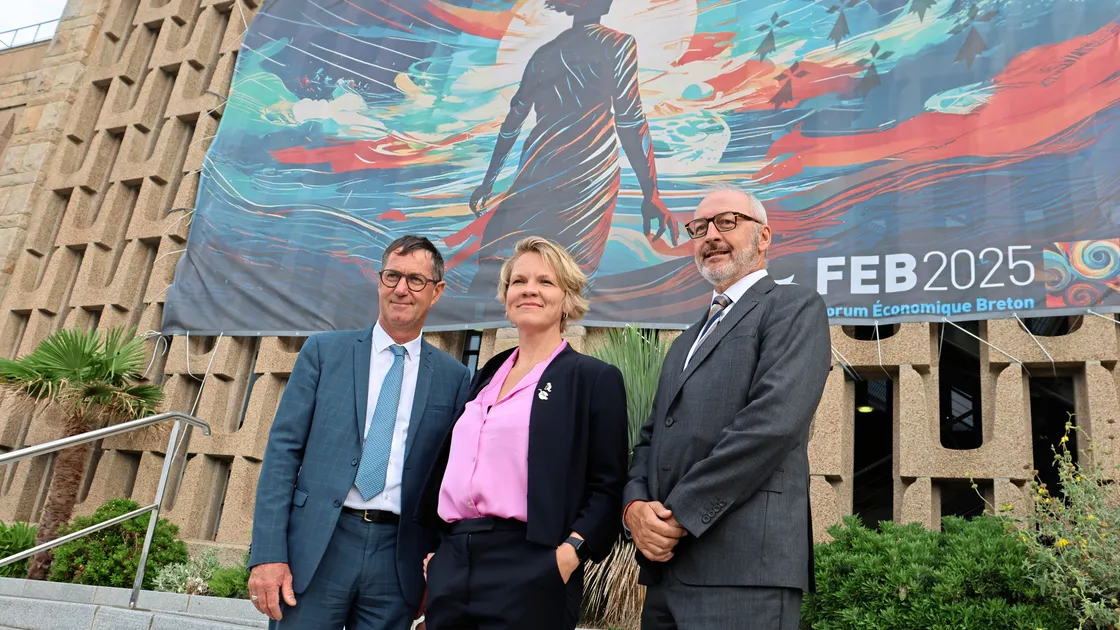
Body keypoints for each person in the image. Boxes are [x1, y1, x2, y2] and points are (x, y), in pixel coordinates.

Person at [622, 187, 832, 629]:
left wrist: (681, 513)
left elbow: (772, 424)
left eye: (727, 222)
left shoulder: (794, 307)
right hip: (666, 574)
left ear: (764, 236)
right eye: (699, 228)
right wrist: (635, 508)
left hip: (745, 571)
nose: (711, 236)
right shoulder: (684, 341)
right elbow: (651, 437)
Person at [248, 235, 471, 630]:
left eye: (416, 280)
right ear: (379, 280)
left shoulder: (454, 379)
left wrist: (439, 568)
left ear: (436, 292)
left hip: (397, 561)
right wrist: (268, 554)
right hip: (317, 548)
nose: (401, 289)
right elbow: (283, 453)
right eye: (392, 276)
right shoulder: (323, 352)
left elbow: (449, 480)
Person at [417, 236, 629, 630]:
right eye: (519, 281)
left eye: (545, 282)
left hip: (532, 562)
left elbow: (608, 484)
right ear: (506, 295)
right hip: (455, 560)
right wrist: (438, 553)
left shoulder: (592, 378)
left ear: (567, 299)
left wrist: (569, 554)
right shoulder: (485, 376)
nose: (529, 289)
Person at [464, 0, 677, 307]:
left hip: (539, 171)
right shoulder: (617, 44)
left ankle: (491, 330)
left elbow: (513, 122)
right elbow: (630, 121)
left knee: (500, 266)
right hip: (589, 177)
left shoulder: (544, 53)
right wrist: (651, 192)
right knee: (571, 276)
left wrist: (489, 181)